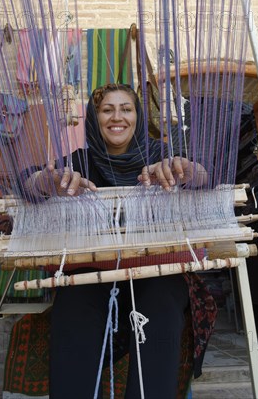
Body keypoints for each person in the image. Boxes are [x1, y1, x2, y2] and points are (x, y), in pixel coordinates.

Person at [24, 83, 216, 399]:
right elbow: (28, 180)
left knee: (160, 306)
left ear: (137, 117)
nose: (118, 117)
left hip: (157, 273)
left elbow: (203, 176)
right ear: (94, 118)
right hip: (91, 274)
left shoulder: (162, 156)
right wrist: (45, 182)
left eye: (126, 109)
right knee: (72, 308)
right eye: (107, 109)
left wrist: (188, 171)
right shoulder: (80, 163)